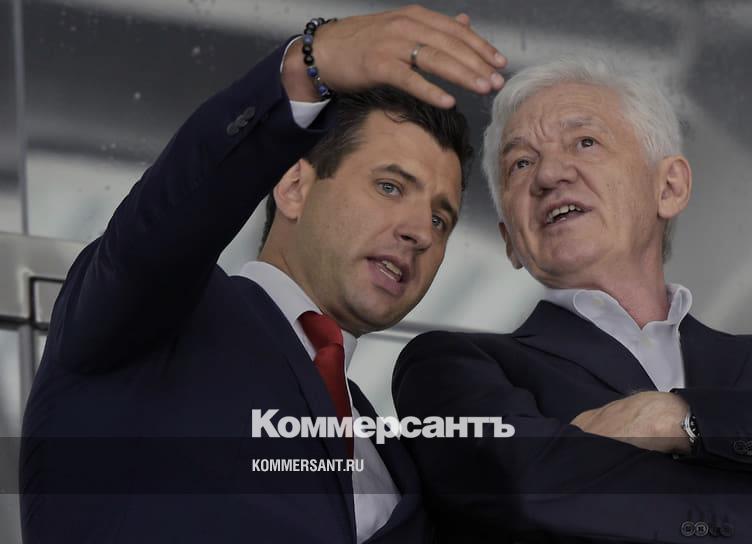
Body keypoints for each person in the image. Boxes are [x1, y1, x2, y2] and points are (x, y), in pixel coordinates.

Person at [392, 56, 752, 543]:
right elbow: (528, 484)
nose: (550, 175)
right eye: (521, 163)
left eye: (585, 142)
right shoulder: (453, 369)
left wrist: (679, 419)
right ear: (510, 241)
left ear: (670, 187)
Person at [20, 5, 506, 543]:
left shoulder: (396, 457)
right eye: (389, 186)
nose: (420, 231)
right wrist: (309, 67)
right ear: (294, 187)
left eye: (441, 219)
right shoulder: (162, 320)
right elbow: (165, 220)